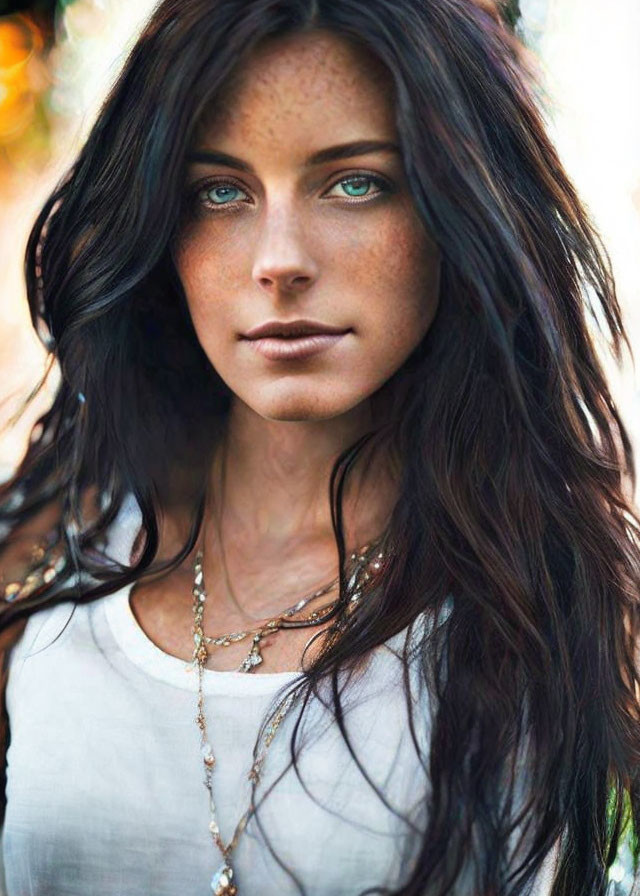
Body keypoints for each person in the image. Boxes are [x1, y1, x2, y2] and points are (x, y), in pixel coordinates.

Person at [0, 0, 639, 893]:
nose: (280, 259)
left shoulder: (551, 594)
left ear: (459, 207)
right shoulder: (43, 559)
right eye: (219, 192)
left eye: (354, 183)